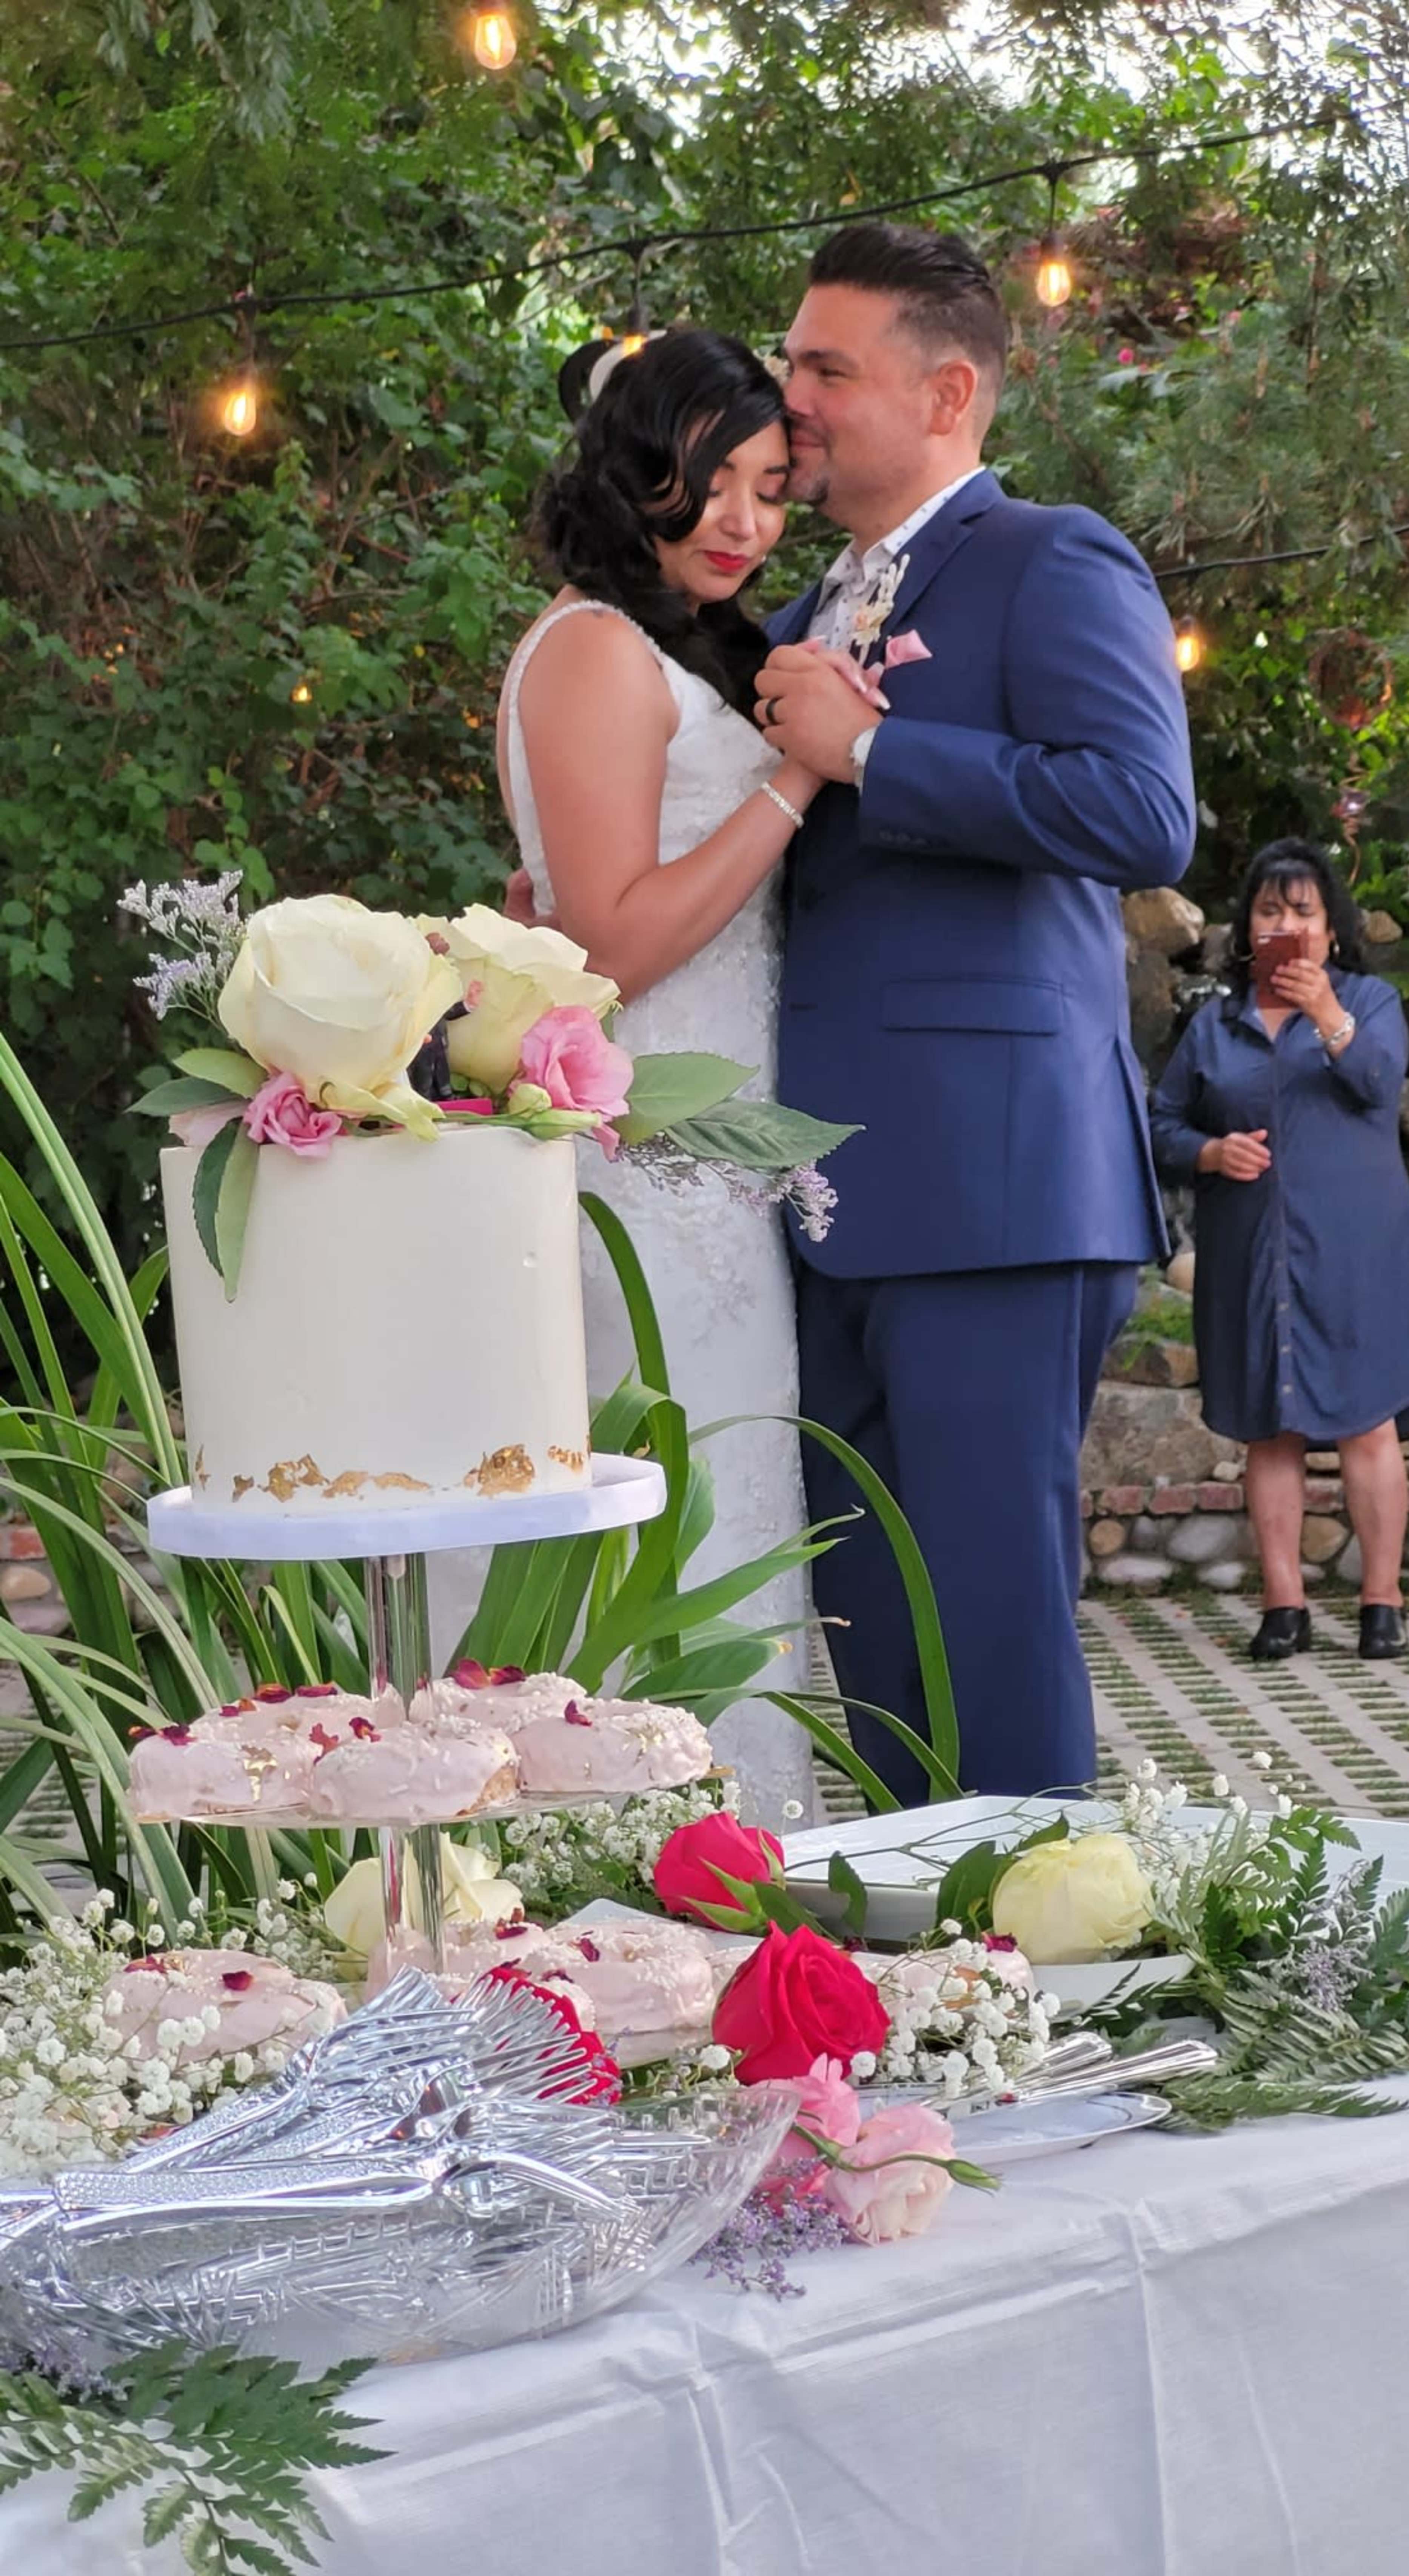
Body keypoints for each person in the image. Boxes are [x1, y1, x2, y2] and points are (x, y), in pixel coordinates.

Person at [753, 222, 1196, 1804]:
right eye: (790, 361)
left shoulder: (1048, 558)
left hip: (1000, 1182)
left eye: (825, 368)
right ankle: (906, 1988)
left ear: (948, 393)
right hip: (823, 1186)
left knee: (991, 1628)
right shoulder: (802, 597)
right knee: (868, 1626)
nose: (790, 397)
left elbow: (1147, 814)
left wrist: (878, 756)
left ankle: (1046, 1992)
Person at [494, 329, 829, 1829]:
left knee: (732, 1546)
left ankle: (733, 1902)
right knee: (672, 1553)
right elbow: (611, 945)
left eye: (772, 489)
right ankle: (635, 1889)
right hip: (641, 1186)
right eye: (716, 483)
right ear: (640, 475)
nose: (749, 523)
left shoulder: (675, 650)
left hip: (718, 1184)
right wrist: (798, 786)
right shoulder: (590, 649)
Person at [1150, 838, 1409, 1662]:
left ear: (1332, 930)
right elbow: (1163, 1125)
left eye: (1303, 912)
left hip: (1355, 1252)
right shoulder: (1216, 1023)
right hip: (1250, 1250)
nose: (1286, 925)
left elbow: (1380, 1083)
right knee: (1268, 1432)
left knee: (1367, 1424)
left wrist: (1326, 1015)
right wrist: (1211, 1154)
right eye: (1271, 910)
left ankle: (1382, 1602)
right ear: (1249, 929)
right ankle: (1285, 1605)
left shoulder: (1370, 1004)